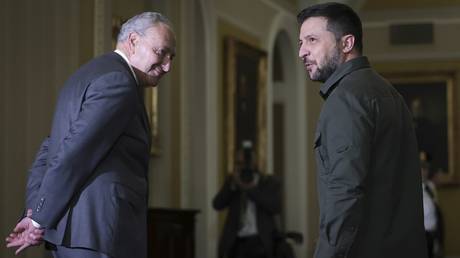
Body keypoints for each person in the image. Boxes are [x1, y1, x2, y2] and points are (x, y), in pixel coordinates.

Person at [5, 12, 176, 258]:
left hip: (68, 235)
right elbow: (74, 153)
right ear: (133, 41)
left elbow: (51, 148)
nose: (168, 66)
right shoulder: (119, 82)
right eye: (161, 52)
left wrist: (35, 211)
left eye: (172, 57)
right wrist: (37, 221)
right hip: (97, 235)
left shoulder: (86, 74)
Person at [297, 3, 427, 258]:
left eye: (312, 40)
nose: (302, 51)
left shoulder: (346, 98)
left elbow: (345, 193)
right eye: (301, 42)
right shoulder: (389, 93)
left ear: (346, 44)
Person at [213, 142, 281, 258]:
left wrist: (249, 189)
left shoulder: (268, 182)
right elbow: (217, 204)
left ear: (254, 163)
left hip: (260, 242)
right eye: (239, 163)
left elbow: (275, 207)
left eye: (246, 163)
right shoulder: (232, 182)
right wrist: (233, 185)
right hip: (236, 242)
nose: (243, 167)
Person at [420, 151, 444, 258]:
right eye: (421, 168)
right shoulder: (413, 190)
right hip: (423, 236)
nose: (424, 171)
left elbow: (436, 209)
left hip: (434, 234)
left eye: (426, 168)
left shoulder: (431, 187)